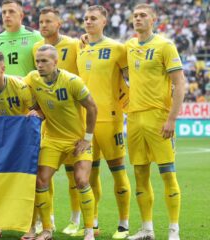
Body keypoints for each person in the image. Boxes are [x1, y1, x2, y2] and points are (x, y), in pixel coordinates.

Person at [23, 44, 98, 240]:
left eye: (44, 61)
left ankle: (89, 231)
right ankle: (47, 229)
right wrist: (37, 111)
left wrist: (87, 139)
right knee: (40, 180)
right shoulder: (32, 79)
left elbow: (92, 107)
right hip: (53, 139)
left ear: (55, 62)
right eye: (38, 61)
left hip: (77, 140)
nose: (40, 65)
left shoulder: (72, 81)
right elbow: (24, 95)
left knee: (81, 180)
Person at [125, 4, 185, 240]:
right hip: (134, 118)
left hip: (159, 118)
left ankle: (173, 231)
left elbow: (179, 83)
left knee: (167, 174)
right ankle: (147, 229)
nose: (138, 19)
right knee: (140, 174)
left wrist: (172, 117)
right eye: (135, 16)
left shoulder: (165, 45)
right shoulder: (128, 46)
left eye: (143, 16)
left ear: (153, 20)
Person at [75, 5, 131, 239]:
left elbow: (133, 80)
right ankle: (92, 223)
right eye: (86, 18)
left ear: (104, 22)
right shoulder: (81, 48)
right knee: (91, 174)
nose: (88, 22)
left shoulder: (118, 49)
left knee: (118, 171)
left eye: (94, 18)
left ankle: (124, 224)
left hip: (111, 120)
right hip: (86, 122)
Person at [0, 50, 39, 239]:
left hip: (25, 140)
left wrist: (33, 116)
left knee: (28, 184)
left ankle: (31, 226)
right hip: (1, 141)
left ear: (2, 69)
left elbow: (38, 113)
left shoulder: (19, 87)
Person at [32, 7, 80, 236]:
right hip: (49, 121)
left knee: (78, 175)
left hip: (74, 119)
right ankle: (46, 219)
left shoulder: (75, 44)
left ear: (59, 23)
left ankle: (77, 219)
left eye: (48, 21)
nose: (43, 25)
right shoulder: (36, 48)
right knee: (44, 175)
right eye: (41, 21)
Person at [0, 0, 42, 77]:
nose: (7, 15)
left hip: (27, 88)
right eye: (4, 12)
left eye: (11, 11)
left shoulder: (35, 36)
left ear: (21, 15)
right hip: (4, 88)